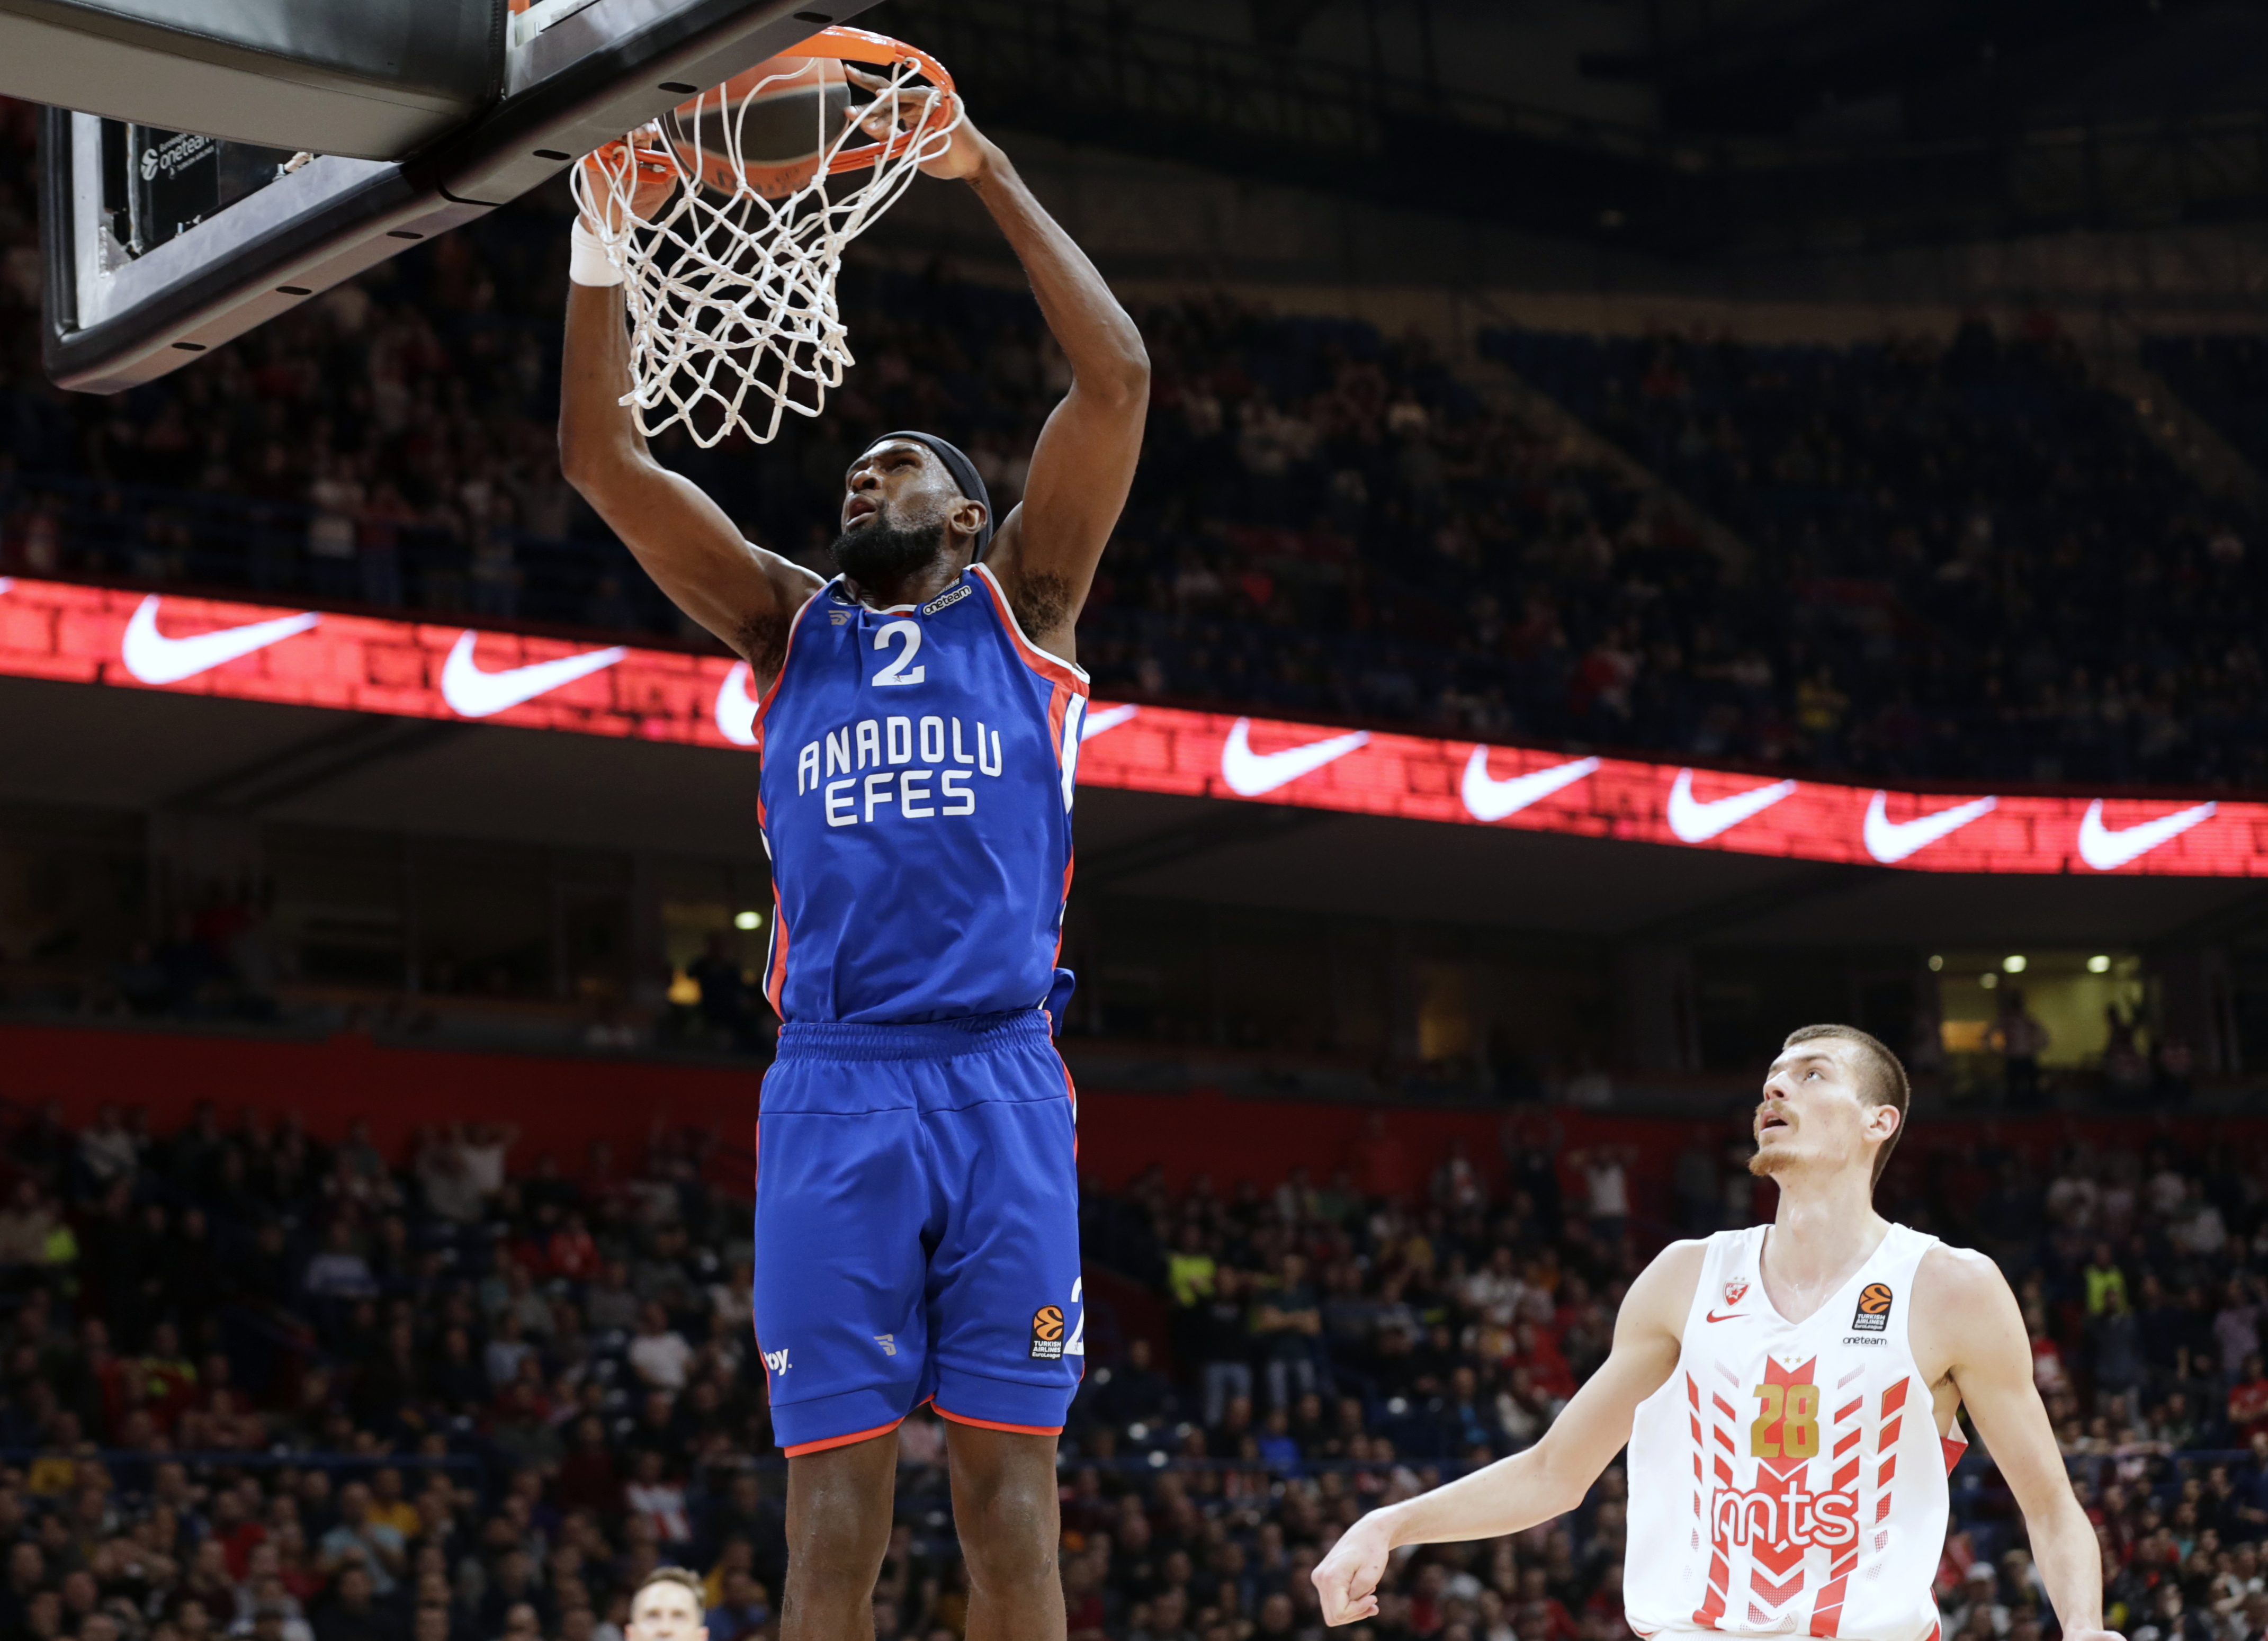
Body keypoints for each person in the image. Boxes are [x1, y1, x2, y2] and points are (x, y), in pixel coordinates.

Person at [559, 78, 1149, 1641]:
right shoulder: (785, 623)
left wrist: (986, 167)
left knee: (1011, 1513)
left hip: (999, 1070)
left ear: (967, 516)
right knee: (829, 1527)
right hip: (833, 1079)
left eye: (895, 467)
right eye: (853, 471)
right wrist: (599, 241)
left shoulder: (1026, 604)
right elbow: (602, 461)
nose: (859, 480)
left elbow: (1117, 377)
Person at [1312, 1021, 2123, 1641]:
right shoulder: (1684, 1276)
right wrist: (1388, 1524)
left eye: (1811, 1075)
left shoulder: (1952, 1287)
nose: (1777, 1090)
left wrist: (2085, 1628)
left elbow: (2050, 1504)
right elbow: (1554, 1473)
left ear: (1879, 1121)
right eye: (1772, 1080)